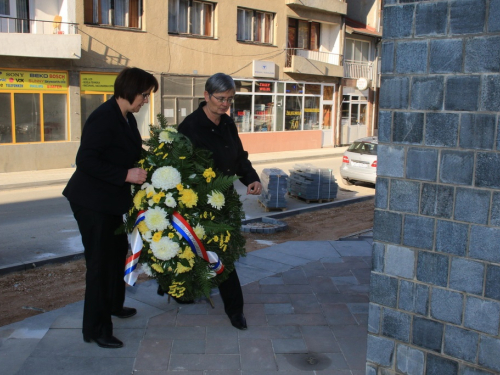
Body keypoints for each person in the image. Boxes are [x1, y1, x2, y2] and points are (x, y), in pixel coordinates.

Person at [63, 67, 158, 348]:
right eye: (144, 95)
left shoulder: (126, 118)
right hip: (91, 203)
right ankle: (96, 329)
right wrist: (125, 175)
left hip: (110, 202)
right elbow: (86, 160)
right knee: (100, 267)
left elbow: (130, 152)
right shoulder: (104, 118)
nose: (146, 101)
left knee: (117, 256)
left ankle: (114, 305)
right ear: (129, 91)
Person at [175, 72, 262, 330]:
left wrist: (251, 178)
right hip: (199, 205)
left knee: (213, 253)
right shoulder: (189, 128)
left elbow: (238, 156)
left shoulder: (227, 123)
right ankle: (233, 310)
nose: (225, 104)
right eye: (221, 98)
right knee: (218, 254)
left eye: (230, 99)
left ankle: (189, 294)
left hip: (224, 201)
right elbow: (181, 170)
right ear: (206, 96)